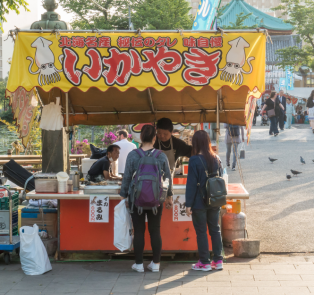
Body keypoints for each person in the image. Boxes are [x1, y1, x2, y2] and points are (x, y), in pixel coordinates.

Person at [120, 125, 173, 273]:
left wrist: (124, 195)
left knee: (139, 231)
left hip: (136, 199)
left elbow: (126, 177)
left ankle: (138, 265)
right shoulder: (161, 155)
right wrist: (169, 196)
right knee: (155, 231)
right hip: (156, 200)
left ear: (141, 138)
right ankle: (155, 264)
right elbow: (168, 177)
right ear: (154, 138)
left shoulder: (133, 155)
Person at [185, 130, 223, 271]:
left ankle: (205, 262)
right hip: (215, 200)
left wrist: (188, 204)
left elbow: (191, 184)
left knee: (201, 232)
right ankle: (218, 260)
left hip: (199, 202)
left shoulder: (194, 160)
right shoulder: (216, 158)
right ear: (207, 142)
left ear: (195, 143)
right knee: (215, 230)